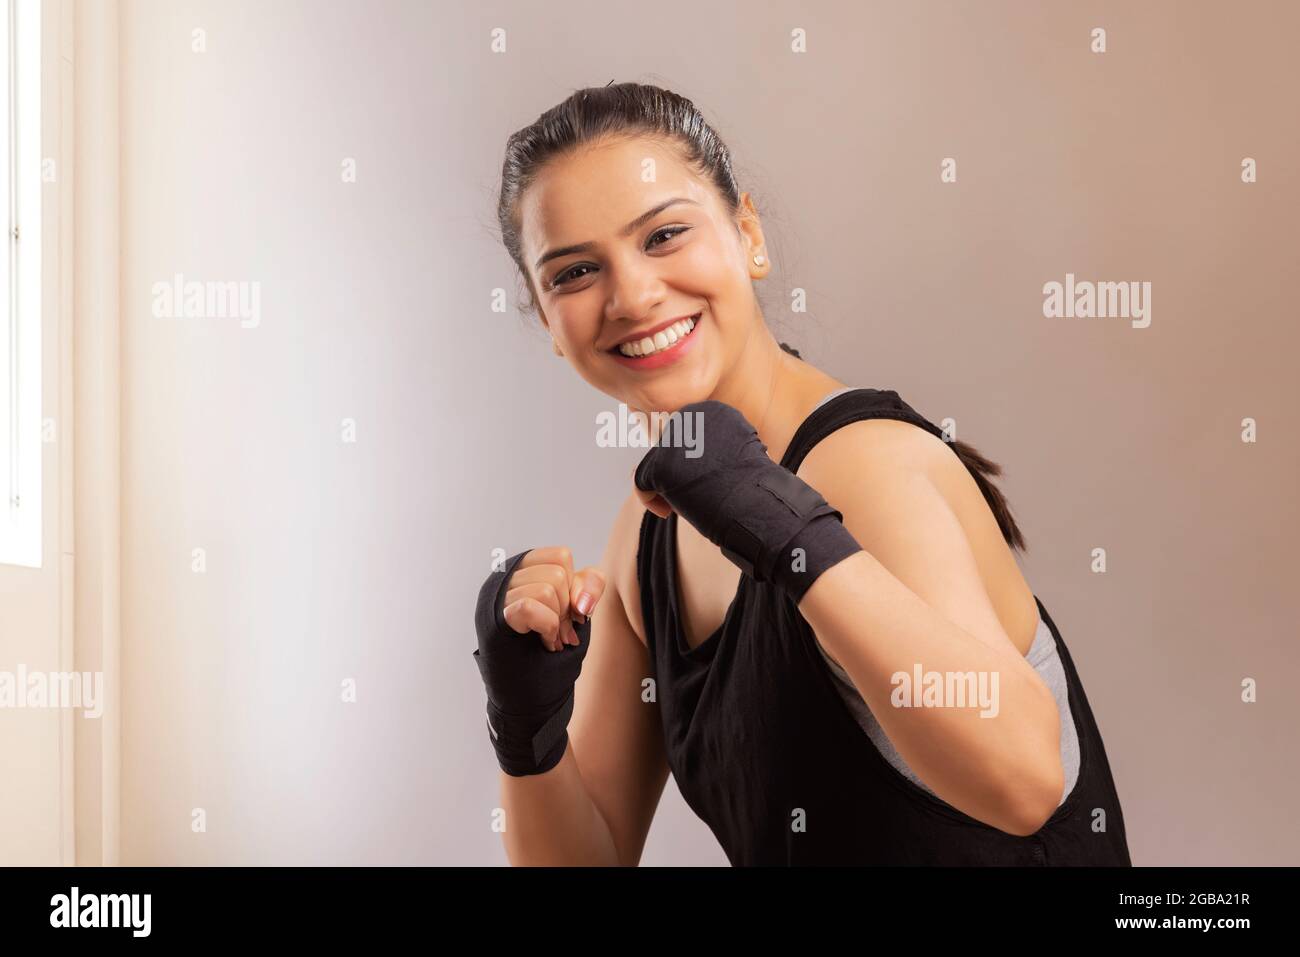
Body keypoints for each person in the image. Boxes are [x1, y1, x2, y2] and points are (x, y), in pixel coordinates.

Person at [472, 81, 1132, 866]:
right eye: (574, 274)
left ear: (747, 232)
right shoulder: (644, 537)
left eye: (664, 235)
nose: (633, 295)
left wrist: (786, 528)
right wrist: (527, 727)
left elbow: (1024, 782)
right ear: (548, 321)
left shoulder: (865, 465)